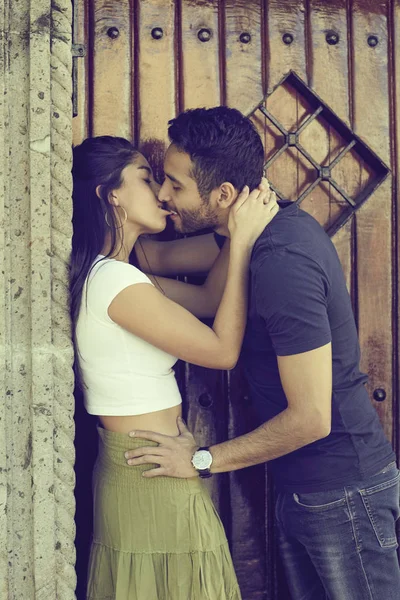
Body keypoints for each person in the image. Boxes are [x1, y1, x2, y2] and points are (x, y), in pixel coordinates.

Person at [124, 107, 400, 600]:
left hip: (344, 493)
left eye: (175, 185)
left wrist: (202, 459)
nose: (165, 195)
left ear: (225, 195)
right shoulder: (245, 237)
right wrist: (111, 279)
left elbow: (313, 417)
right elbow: (190, 285)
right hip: (305, 489)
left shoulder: (281, 258)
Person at [70, 135, 278, 600]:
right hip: (149, 472)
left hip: (148, 466)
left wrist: (232, 229)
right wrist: (241, 242)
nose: (162, 192)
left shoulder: (117, 277)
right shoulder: (115, 282)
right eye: (146, 178)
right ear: (111, 195)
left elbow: (207, 299)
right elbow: (222, 351)